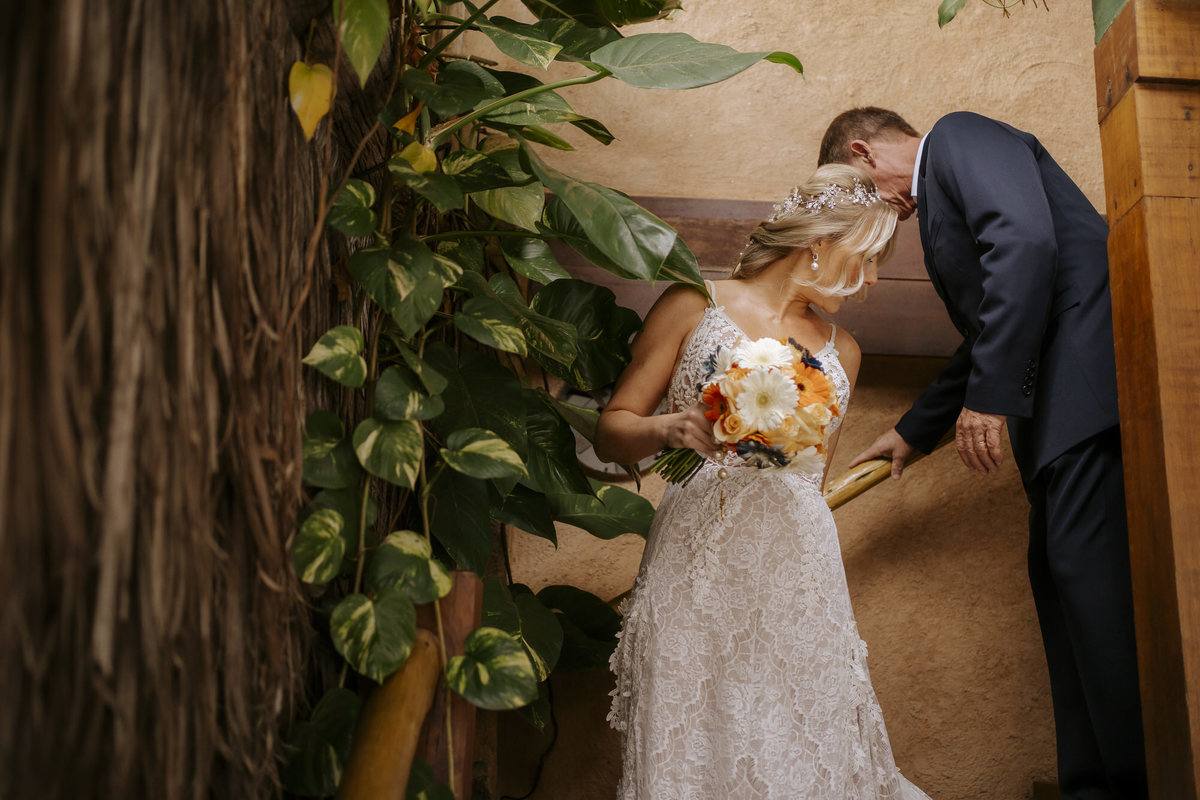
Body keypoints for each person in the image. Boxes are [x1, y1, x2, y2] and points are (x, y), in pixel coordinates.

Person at [819, 107, 1147, 800]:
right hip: (1061, 421)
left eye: (862, 191)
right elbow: (990, 324)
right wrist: (914, 430)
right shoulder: (942, 188)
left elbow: (1026, 247)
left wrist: (991, 399)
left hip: (1084, 399)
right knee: (1066, 592)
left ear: (863, 151)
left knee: (1094, 598)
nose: (887, 220)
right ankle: (1095, 784)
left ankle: (1140, 782)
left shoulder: (960, 137)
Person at [596, 164, 928, 799]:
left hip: (796, 575)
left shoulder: (842, 350)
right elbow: (612, 431)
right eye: (866, 259)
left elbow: (812, 478)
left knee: (796, 738)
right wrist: (674, 429)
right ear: (819, 243)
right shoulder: (694, 303)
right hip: (695, 560)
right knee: (689, 729)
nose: (874, 279)